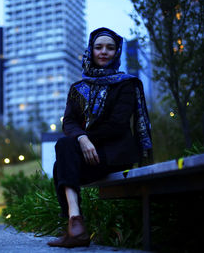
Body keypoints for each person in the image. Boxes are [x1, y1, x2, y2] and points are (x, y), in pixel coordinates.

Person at [47, 27, 153, 248]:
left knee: (63, 157)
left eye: (110, 48)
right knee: (63, 152)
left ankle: (74, 227)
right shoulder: (78, 88)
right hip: (90, 156)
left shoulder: (126, 84)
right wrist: (82, 140)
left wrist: (84, 138)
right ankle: (75, 222)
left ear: (117, 52)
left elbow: (117, 124)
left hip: (115, 154)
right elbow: (69, 121)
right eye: (98, 47)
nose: (104, 52)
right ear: (91, 50)